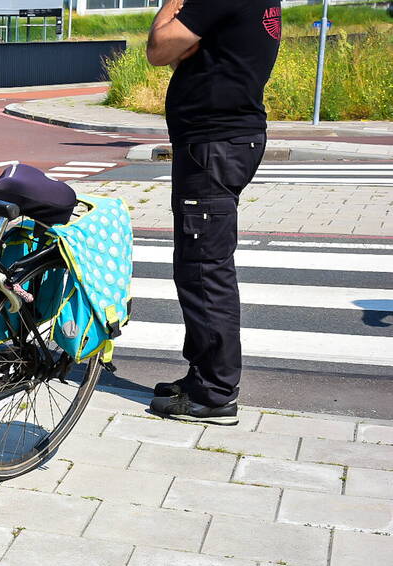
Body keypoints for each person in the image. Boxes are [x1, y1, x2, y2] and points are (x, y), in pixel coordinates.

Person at [145, 0, 281, 425]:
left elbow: (159, 50)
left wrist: (168, 8)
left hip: (213, 145)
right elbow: (180, 52)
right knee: (199, 266)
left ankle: (214, 393)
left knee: (204, 268)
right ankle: (202, 376)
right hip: (224, 142)